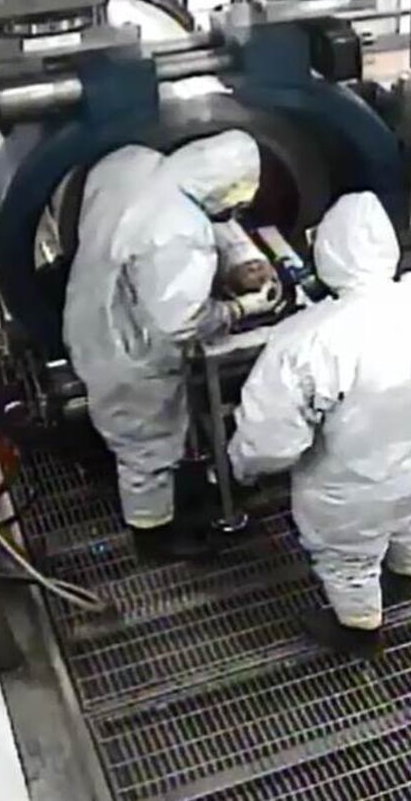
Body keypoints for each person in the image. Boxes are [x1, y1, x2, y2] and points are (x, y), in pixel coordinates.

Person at [228, 192, 411, 658]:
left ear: (328, 252)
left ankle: (359, 630)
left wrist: (239, 467)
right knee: (407, 515)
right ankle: (404, 572)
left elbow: (271, 440)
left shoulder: (307, 340)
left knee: (348, 559)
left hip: (353, 488)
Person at [64, 130, 280, 562]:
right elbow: (182, 324)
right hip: (128, 350)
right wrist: (240, 308)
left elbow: (202, 209)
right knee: (146, 443)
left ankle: (163, 490)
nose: (234, 213)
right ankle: (155, 537)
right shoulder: (180, 235)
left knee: (137, 432)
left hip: (91, 305)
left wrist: (242, 258)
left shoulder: (136, 161)